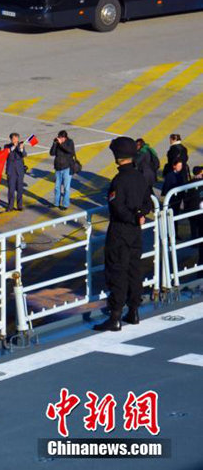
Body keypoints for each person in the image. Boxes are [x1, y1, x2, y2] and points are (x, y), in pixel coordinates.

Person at [94, 137, 154, 331]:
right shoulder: (140, 177)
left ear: (118, 157)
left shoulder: (119, 180)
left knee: (117, 271)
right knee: (134, 269)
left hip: (120, 231)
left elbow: (117, 208)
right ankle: (134, 310)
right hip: (136, 232)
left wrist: (132, 217)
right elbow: (148, 202)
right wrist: (140, 216)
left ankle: (115, 316)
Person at [49, 131, 76, 210]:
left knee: (66, 188)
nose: (59, 139)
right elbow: (52, 153)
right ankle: (56, 203)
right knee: (57, 187)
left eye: (61, 137)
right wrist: (54, 144)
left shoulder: (70, 142)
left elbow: (70, 151)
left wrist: (61, 144)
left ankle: (65, 204)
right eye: (59, 137)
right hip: (58, 168)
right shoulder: (57, 143)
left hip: (67, 168)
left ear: (65, 138)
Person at [4, 133, 27, 212]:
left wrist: (21, 149)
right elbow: (8, 154)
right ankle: (10, 206)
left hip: (19, 171)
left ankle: (19, 205)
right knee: (11, 190)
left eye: (16, 138)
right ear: (11, 139)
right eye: (13, 138)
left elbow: (24, 154)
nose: (15, 140)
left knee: (20, 189)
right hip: (11, 171)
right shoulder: (7, 146)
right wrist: (14, 146)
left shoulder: (21, 145)